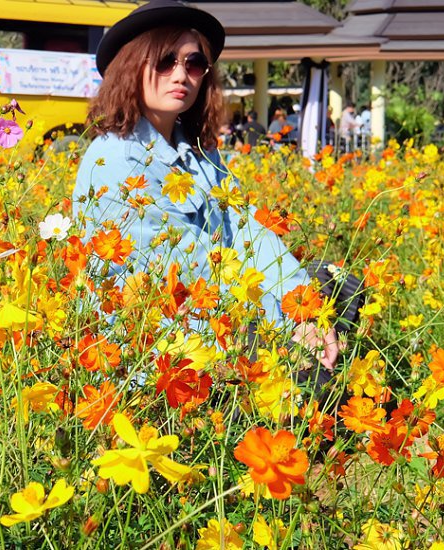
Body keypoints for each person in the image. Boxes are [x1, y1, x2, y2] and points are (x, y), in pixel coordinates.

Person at [74, 0, 358, 374]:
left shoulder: (197, 151)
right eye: (165, 61)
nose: (180, 76)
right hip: (170, 337)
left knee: (344, 284)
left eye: (193, 64)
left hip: (224, 303)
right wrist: (288, 319)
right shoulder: (113, 160)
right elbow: (185, 280)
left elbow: (248, 231)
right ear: (130, 68)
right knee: (304, 363)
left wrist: (302, 304)